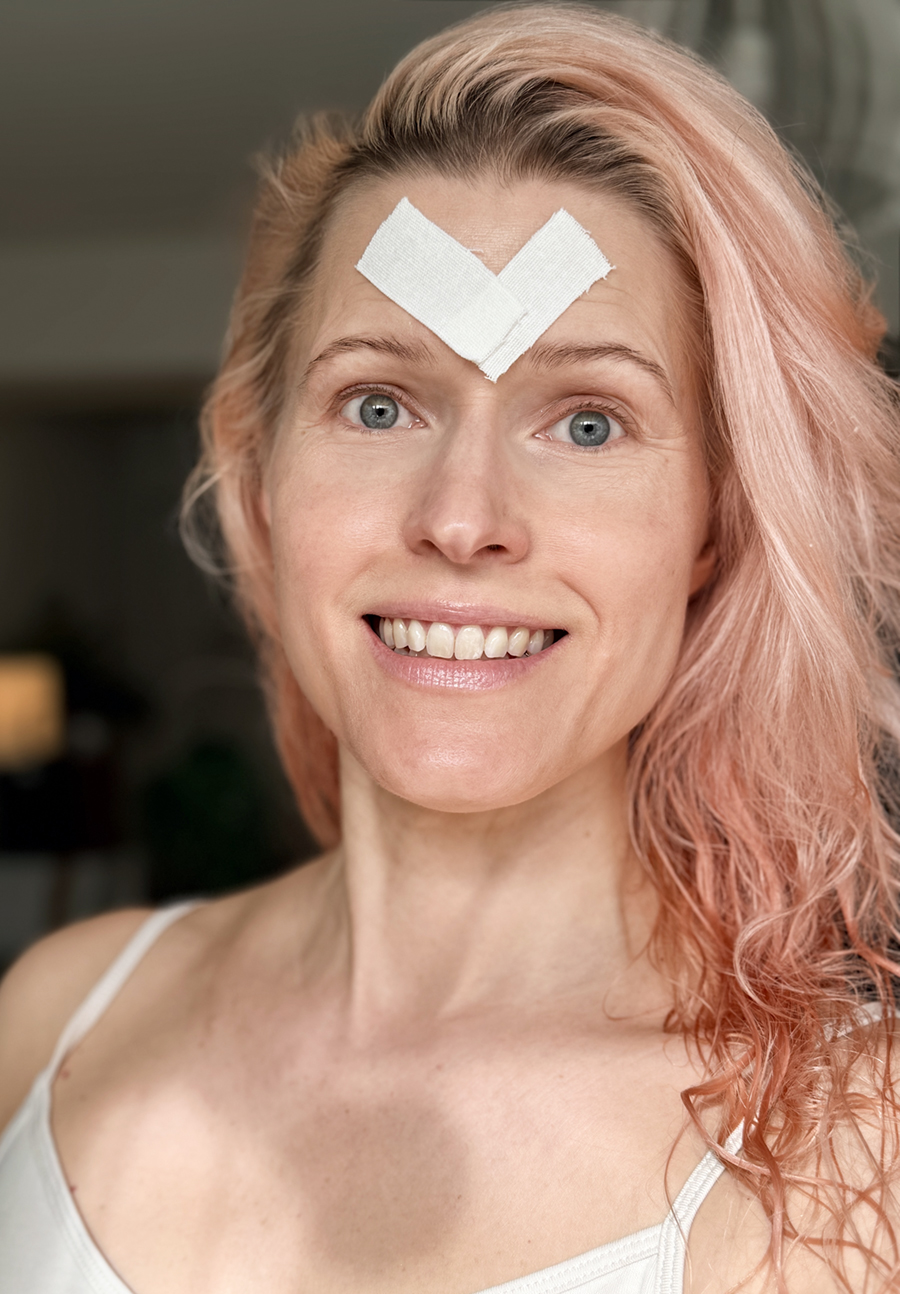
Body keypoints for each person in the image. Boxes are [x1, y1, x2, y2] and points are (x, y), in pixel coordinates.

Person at [2, 4, 900, 1291]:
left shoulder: (847, 1145)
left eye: (587, 423)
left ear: (713, 522)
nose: (462, 518)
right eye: (379, 404)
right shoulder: (59, 1016)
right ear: (262, 478)